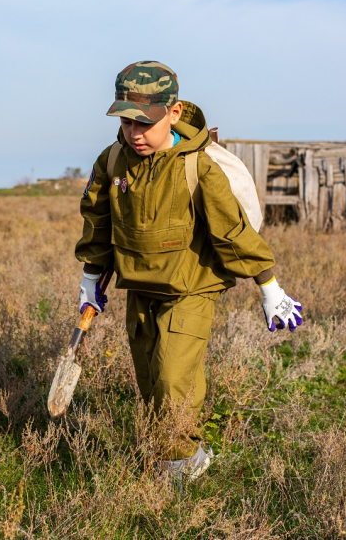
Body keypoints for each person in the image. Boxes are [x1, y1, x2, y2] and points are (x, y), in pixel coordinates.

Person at [75, 61, 302, 481]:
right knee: (149, 380)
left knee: (173, 378)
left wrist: (270, 287)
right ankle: (178, 451)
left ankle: (178, 469)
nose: (135, 133)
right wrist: (91, 280)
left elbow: (231, 230)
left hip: (190, 288)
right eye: (127, 122)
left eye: (146, 122)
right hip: (140, 286)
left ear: (174, 112)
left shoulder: (196, 166)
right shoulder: (112, 161)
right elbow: (98, 222)